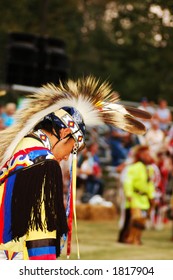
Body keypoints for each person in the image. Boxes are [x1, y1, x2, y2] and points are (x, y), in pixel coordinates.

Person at [0, 76, 150, 260]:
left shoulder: (17, 150)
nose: (66, 157)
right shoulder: (43, 163)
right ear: (63, 132)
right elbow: (40, 230)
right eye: (71, 149)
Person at [118, 145, 155, 245]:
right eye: (146, 154)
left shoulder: (149, 169)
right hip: (134, 197)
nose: (148, 156)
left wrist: (152, 196)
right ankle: (129, 238)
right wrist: (129, 194)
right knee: (135, 219)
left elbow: (150, 184)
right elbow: (128, 182)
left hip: (144, 199)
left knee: (141, 221)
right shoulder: (134, 168)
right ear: (140, 155)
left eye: (149, 154)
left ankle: (137, 238)